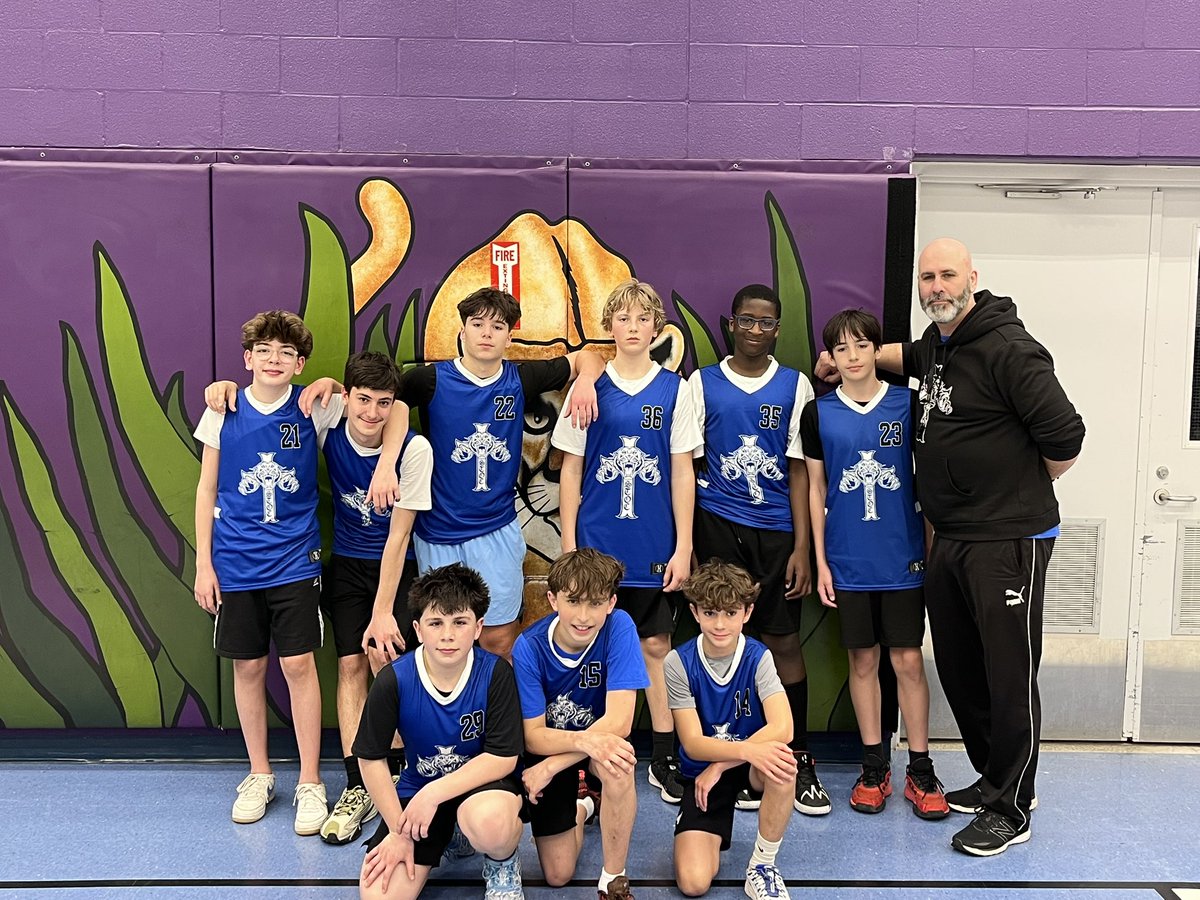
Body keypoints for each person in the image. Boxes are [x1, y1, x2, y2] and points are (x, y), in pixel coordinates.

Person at [816, 238, 1085, 856]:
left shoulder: (1008, 349)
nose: (936, 287)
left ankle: (1012, 807)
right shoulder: (939, 345)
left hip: (1007, 538)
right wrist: (844, 359)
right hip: (952, 538)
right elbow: (902, 353)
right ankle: (994, 778)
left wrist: (1015, 489)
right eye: (927, 277)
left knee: (1009, 673)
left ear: (972, 278)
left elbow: (1066, 438)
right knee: (963, 669)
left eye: (947, 275)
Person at [204, 351, 425, 844]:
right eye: (362, 400)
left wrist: (384, 611)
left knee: (391, 665)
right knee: (349, 666)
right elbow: (347, 400)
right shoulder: (326, 421)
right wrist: (222, 388)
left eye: (382, 402)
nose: (371, 411)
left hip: (397, 567)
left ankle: (402, 773)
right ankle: (357, 781)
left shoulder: (415, 450)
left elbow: (399, 538)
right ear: (347, 398)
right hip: (343, 563)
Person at [352, 287, 604, 662]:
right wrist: (387, 463)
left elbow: (589, 358)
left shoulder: (519, 379)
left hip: (496, 531)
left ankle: (499, 703)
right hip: (438, 533)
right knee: (444, 643)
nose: (487, 333)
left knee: (499, 641)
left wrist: (583, 381)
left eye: (497, 326)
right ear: (462, 331)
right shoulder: (429, 380)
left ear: (509, 336)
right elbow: (384, 400)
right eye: (478, 324)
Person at [192, 310, 343, 834]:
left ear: (299, 363)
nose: (274, 360)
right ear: (247, 358)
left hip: (295, 561)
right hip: (235, 564)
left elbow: (373, 409)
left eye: (286, 353)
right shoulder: (222, 408)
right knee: (249, 668)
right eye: (264, 351)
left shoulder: (313, 406)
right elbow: (206, 489)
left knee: (299, 665)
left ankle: (310, 781)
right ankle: (259, 773)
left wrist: (332, 383)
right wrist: (204, 563)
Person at [553, 279, 702, 805]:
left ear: (657, 327)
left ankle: (662, 756)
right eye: (623, 318)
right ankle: (585, 759)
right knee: (585, 648)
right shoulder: (589, 388)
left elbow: (682, 471)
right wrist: (569, 546)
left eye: (643, 319)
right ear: (609, 327)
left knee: (655, 646)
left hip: (654, 545)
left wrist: (684, 547)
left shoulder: (675, 389)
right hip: (596, 546)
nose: (633, 328)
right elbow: (571, 470)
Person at [687, 283, 829, 817]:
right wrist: (690, 545)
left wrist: (801, 547)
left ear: (777, 329)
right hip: (717, 525)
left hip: (776, 533)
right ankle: (727, 756)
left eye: (765, 322)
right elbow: (687, 465)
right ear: (730, 324)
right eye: (745, 320)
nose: (754, 330)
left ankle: (797, 756)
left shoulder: (795, 386)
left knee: (782, 640)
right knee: (720, 642)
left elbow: (800, 472)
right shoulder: (701, 383)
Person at [802, 309, 948, 820]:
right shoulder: (819, 413)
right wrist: (821, 562)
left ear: (876, 350)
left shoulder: (908, 404)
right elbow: (816, 489)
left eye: (862, 345)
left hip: (903, 558)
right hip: (848, 559)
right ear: (831, 357)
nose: (853, 356)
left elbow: (928, 483)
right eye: (841, 348)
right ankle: (873, 767)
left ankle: (921, 769)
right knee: (862, 661)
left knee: (907, 660)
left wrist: (931, 552)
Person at [353, 563, 526, 900]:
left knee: (490, 822)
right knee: (379, 896)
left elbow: (503, 758)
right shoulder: (395, 679)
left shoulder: (495, 674)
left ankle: (502, 863)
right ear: (418, 630)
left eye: (459, 622)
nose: (448, 635)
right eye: (436, 623)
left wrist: (433, 794)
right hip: (418, 788)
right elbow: (370, 759)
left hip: (482, 788)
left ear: (478, 627)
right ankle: (452, 835)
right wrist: (398, 831)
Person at [512, 548, 648, 900]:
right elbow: (533, 736)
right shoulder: (529, 647)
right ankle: (584, 805)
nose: (584, 616)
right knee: (558, 875)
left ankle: (613, 879)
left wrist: (553, 766)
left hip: (593, 746)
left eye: (595, 603)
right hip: (556, 745)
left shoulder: (619, 626)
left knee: (619, 764)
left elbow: (620, 722)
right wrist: (575, 748)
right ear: (553, 600)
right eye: (573, 601)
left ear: (611, 603)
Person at [666, 561, 796, 900]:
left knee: (783, 764)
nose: (720, 624)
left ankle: (763, 866)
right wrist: (732, 757)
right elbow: (693, 743)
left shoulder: (758, 656)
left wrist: (725, 763)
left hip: (747, 766)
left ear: (747, 612)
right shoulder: (678, 662)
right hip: (703, 773)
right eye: (710, 613)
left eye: (731, 612)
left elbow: (784, 727)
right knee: (693, 883)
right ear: (694, 612)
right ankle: (697, 828)